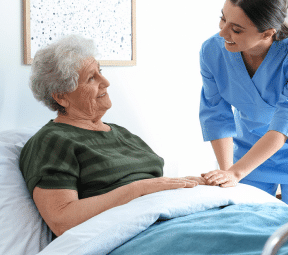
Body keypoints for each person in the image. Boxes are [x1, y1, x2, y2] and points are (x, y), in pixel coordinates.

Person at [20, 34, 204, 238]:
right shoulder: (52, 141)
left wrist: (191, 184)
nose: (106, 82)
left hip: (170, 221)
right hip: (132, 238)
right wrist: (138, 189)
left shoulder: (122, 134)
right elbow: (62, 220)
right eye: (92, 78)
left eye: (100, 72)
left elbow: (153, 185)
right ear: (62, 96)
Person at [199, 0, 288, 207]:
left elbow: (284, 124)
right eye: (223, 19)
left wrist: (236, 173)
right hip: (249, 150)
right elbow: (216, 115)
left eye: (236, 29)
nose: (222, 32)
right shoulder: (212, 50)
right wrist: (228, 172)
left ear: (267, 33)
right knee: (245, 225)